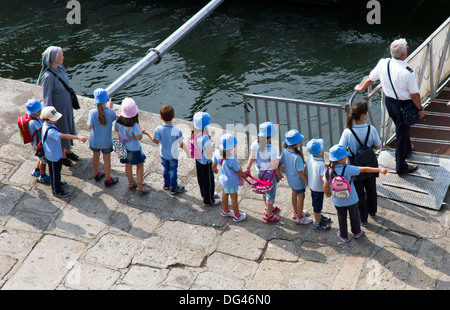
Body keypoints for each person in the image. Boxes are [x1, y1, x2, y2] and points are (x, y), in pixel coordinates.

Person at [354, 38, 424, 174]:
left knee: (401, 127)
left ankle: (407, 149)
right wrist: (420, 110)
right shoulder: (407, 72)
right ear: (403, 54)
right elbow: (415, 95)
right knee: (401, 132)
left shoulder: (383, 63)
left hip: (389, 103)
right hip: (403, 105)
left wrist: (361, 87)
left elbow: (370, 79)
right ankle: (401, 166)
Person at [323, 144, 388, 243]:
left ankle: (344, 236)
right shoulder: (348, 169)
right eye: (345, 156)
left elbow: (325, 185)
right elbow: (365, 169)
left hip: (338, 200)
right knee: (354, 216)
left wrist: (327, 194)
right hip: (351, 199)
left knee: (341, 217)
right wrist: (379, 169)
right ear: (342, 159)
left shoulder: (328, 170)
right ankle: (357, 232)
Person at [339, 102, 382, 226]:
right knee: (371, 188)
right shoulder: (371, 129)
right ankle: (372, 211)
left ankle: (363, 219)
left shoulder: (348, 131)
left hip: (355, 164)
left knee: (359, 192)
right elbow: (378, 145)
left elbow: (341, 149)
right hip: (370, 163)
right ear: (363, 115)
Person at [37, 46, 79, 167]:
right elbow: (47, 97)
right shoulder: (48, 77)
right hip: (58, 109)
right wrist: (50, 115)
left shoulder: (60, 68)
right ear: (53, 58)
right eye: (60, 56)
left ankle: (68, 149)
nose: (63, 57)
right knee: (60, 129)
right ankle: (62, 155)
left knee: (68, 126)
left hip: (66, 106)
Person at [41, 106, 87, 198]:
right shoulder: (51, 131)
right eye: (54, 119)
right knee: (55, 172)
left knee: (57, 171)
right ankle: (56, 190)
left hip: (55, 154)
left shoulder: (47, 125)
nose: (57, 120)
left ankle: (56, 183)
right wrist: (78, 137)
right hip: (53, 156)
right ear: (47, 119)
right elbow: (64, 136)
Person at [142, 105, 185, 195]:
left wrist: (147, 133)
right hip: (173, 155)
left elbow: (156, 141)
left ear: (161, 117)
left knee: (165, 168)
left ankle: (166, 184)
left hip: (163, 154)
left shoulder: (158, 129)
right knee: (173, 170)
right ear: (173, 116)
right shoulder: (176, 130)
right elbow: (181, 144)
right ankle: (173, 188)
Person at [245, 122, 282, 223]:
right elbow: (273, 165)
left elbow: (252, 157)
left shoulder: (254, 144)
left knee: (264, 190)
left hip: (260, 172)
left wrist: (248, 168)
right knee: (271, 194)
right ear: (270, 136)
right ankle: (268, 215)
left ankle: (267, 206)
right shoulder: (272, 150)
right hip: (270, 175)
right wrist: (278, 174)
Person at [277, 130, 312, 225]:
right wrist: (306, 180)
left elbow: (279, 163)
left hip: (290, 180)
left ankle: (296, 212)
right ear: (297, 144)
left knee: (294, 194)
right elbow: (300, 172)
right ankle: (300, 218)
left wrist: (279, 173)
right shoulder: (298, 157)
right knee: (301, 196)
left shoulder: (284, 151)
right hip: (298, 181)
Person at [212, 133, 249, 222]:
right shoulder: (231, 159)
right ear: (231, 147)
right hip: (231, 182)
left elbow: (213, 165)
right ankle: (237, 215)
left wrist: (215, 170)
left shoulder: (217, 153)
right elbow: (238, 171)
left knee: (225, 194)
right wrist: (244, 174)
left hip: (223, 180)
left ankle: (226, 211)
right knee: (234, 198)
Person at [115, 98, 149, 194]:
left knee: (128, 165)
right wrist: (140, 130)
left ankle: (130, 183)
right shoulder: (134, 125)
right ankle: (139, 186)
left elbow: (116, 129)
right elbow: (139, 138)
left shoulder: (118, 120)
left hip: (124, 148)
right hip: (135, 148)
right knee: (139, 165)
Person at [87, 88, 118, 187]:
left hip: (94, 141)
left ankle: (97, 174)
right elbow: (113, 119)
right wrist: (110, 108)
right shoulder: (111, 112)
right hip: (106, 141)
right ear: (106, 100)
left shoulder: (92, 112)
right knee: (106, 159)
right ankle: (108, 179)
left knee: (95, 156)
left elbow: (90, 126)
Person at [192, 112, 220, 205]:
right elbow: (209, 155)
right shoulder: (205, 139)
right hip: (206, 163)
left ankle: (205, 194)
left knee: (201, 179)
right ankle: (209, 200)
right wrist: (214, 166)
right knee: (209, 181)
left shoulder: (194, 133)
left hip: (198, 160)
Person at [305, 138, 331, 230]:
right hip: (318, 189)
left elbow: (306, 169)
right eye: (322, 147)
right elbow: (324, 182)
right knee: (317, 206)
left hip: (312, 186)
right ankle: (317, 223)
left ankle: (318, 216)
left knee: (314, 202)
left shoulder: (310, 158)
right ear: (320, 151)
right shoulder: (322, 165)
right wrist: (327, 192)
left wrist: (307, 181)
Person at [26, 99, 50, 184]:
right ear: (34, 112)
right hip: (38, 144)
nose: (40, 111)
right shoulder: (34, 122)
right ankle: (43, 176)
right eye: (39, 110)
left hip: (35, 142)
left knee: (40, 157)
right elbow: (42, 130)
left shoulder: (32, 117)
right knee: (43, 161)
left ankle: (37, 170)